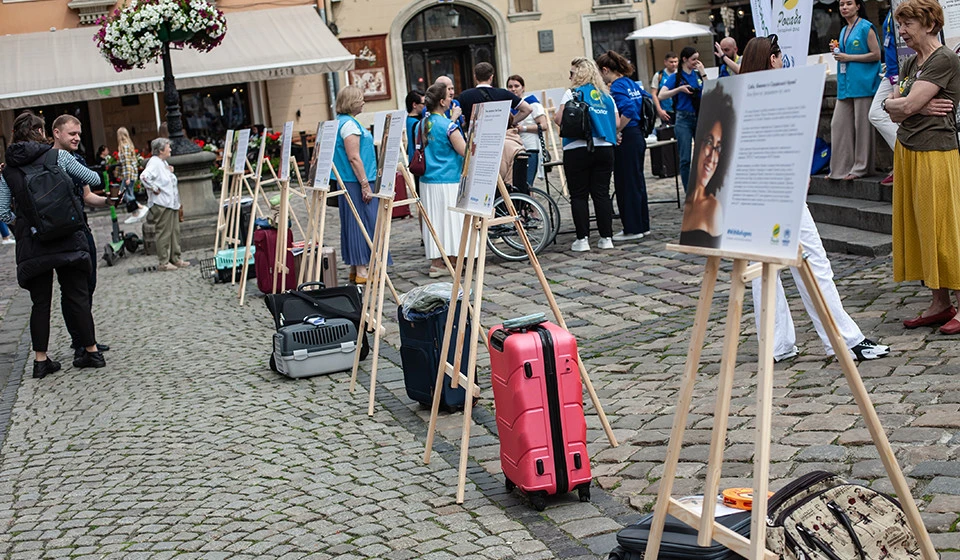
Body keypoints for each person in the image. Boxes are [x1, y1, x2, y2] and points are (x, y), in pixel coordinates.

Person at [739, 35, 890, 361]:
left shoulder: (740, 98)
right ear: (771, 60)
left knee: (765, 270)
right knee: (810, 264)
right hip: (777, 192)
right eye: (778, 57)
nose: (781, 62)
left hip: (753, 195)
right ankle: (843, 340)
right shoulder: (772, 95)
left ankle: (777, 344)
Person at [0, 112, 106, 377]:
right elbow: (94, 180)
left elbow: (2, 213)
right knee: (77, 295)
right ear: (40, 131)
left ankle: (40, 361)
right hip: (67, 235)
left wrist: (24, 221)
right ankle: (91, 352)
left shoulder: (8, 169)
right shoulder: (58, 156)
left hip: (34, 241)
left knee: (40, 302)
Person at [883, 0, 960, 335]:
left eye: (907, 24)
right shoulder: (914, 60)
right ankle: (940, 302)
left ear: (929, 24)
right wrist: (901, 105)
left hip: (936, 152)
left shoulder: (943, 58)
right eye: (900, 25)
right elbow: (893, 105)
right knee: (920, 227)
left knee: (945, 229)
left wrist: (910, 105)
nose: (902, 31)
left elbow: (908, 103)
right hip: (909, 149)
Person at [51, 115, 112, 358]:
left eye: (79, 133)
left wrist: (107, 200)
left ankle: (88, 339)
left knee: (88, 285)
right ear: (56, 133)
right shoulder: (49, 160)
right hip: (63, 232)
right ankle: (80, 342)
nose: (77, 137)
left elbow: (87, 195)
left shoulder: (77, 159)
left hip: (82, 229)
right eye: (71, 134)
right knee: (71, 290)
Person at [554, 57, 619, 252]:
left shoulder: (572, 93)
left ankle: (582, 239)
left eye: (572, 72)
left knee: (579, 195)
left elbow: (559, 119)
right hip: (605, 147)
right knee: (601, 193)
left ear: (579, 74)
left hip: (577, 148)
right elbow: (615, 123)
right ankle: (606, 237)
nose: (570, 76)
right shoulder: (606, 96)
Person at [331, 85, 388, 284]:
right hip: (356, 181)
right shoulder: (349, 126)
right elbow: (354, 157)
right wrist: (364, 183)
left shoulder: (341, 123)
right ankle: (363, 268)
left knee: (355, 222)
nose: (363, 101)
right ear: (352, 102)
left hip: (348, 181)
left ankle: (357, 268)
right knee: (363, 222)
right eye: (360, 98)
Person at [596, 50, 653, 242]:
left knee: (625, 183)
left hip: (628, 137)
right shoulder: (630, 82)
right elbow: (646, 99)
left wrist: (617, 129)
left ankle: (632, 227)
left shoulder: (618, 86)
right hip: (637, 136)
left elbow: (628, 109)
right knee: (637, 182)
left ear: (605, 70)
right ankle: (642, 225)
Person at [828, 0, 882, 180]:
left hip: (864, 83)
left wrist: (848, 56)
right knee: (838, 124)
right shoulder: (844, 30)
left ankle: (861, 168)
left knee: (862, 128)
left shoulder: (866, 27)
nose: (844, 7)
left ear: (858, 6)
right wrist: (837, 51)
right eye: (842, 4)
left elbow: (876, 54)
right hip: (846, 84)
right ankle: (839, 169)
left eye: (849, 3)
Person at [419, 83, 468, 277]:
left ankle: (436, 261)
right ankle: (453, 259)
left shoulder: (423, 123)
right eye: (448, 97)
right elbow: (464, 151)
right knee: (451, 221)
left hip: (428, 178)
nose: (451, 99)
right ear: (441, 102)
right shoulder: (448, 126)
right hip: (448, 177)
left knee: (434, 221)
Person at [678, 84, 735, 249]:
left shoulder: (713, 208)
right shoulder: (691, 203)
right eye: (709, 142)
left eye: (718, 148)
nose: (712, 158)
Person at [658, 46, 707, 192]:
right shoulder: (676, 77)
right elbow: (661, 95)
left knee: (703, 156)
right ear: (685, 59)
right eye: (693, 59)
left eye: (697, 59)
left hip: (699, 116)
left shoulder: (698, 75)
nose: (696, 62)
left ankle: (702, 189)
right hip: (683, 118)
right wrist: (679, 89)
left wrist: (703, 73)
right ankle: (689, 192)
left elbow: (709, 90)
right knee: (685, 158)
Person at [140, 137, 188, 272]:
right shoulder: (154, 163)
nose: (170, 149)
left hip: (170, 203)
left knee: (174, 232)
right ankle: (164, 261)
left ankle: (175, 258)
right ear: (161, 150)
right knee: (164, 233)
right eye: (168, 147)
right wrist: (154, 188)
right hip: (162, 203)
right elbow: (144, 177)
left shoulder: (162, 162)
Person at [869, 11, 901, 185]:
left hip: (900, 72)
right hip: (891, 72)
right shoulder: (891, 11)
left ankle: (904, 160)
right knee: (876, 113)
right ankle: (904, 158)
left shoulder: (903, 7)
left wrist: (896, 80)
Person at [457, 62, 532, 131]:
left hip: (476, 139)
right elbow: (527, 109)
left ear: (475, 77)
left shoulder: (464, 96)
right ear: (491, 77)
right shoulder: (503, 93)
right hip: (499, 136)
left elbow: (458, 117)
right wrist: (509, 123)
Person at [505, 74, 550, 187]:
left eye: (516, 86)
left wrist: (523, 128)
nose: (513, 89)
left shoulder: (532, 103)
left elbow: (544, 125)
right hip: (515, 149)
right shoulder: (509, 106)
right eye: (510, 86)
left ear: (523, 87)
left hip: (530, 147)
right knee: (520, 185)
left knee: (527, 183)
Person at [116, 127, 149, 223]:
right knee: (127, 193)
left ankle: (139, 208)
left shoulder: (124, 147)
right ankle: (136, 212)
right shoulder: (128, 146)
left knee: (125, 193)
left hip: (128, 174)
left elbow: (127, 163)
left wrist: (128, 177)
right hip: (130, 174)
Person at [404, 89, 424, 193]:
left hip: (413, 160)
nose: (425, 106)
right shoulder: (417, 123)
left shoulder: (408, 119)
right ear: (414, 105)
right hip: (419, 161)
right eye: (423, 103)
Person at [652, 52, 679, 124]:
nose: (674, 64)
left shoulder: (680, 74)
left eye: (675, 62)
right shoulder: (659, 75)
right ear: (665, 62)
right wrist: (659, 110)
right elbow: (654, 94)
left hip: (680, 110)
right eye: (671, 62)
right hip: (666, 111)